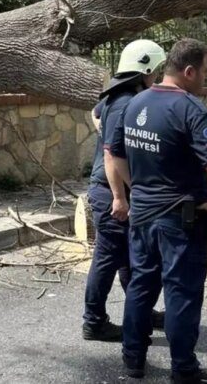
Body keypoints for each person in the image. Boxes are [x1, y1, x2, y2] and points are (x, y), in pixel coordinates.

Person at [105, 38, 207, 383]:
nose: (206, 79)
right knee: (182, 292)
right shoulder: (192, 110)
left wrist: (140, 190)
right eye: (204, 72)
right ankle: (184, 370)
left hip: (142, 214)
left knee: (142, 286)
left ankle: (133, 360)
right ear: (188, 71)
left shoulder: (133, 104)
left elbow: (115, 155)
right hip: (181, 218)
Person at [83, 40, 167, 342]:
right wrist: (120, 197)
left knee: (129, 258)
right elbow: (111, 154)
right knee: (107, 258)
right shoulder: (123, 102)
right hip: (111, 192)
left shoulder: (115, 97)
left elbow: (94, 115)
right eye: (155, 71)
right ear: (143, 70)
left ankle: (140, 311)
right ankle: (93, 322)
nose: (156, 77)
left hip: (114, 190)